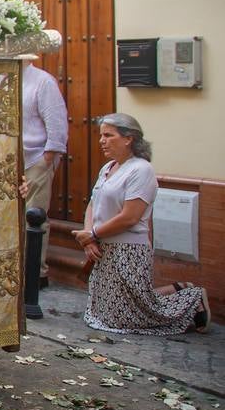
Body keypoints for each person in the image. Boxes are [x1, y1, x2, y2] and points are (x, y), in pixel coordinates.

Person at [76, 114, 210, 335]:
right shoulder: (108, 167)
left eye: (108, 135)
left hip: (128, 250)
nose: (102, 141)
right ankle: (179, 289)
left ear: (128, 138)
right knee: (106, 314)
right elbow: (93, 203)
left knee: (124, 318)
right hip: (102, 248)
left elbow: (130, 217)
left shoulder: (141, 170)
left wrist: (92, 234)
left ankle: (192, 298)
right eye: (101, 136)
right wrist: (88, 236)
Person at [22, 61, 68, 285]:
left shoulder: (42, 81)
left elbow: (57, 125)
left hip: (35, 159)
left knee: (34, 215)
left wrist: (46, 159)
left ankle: (36, 272)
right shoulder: (1, 79)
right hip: (10, 160)